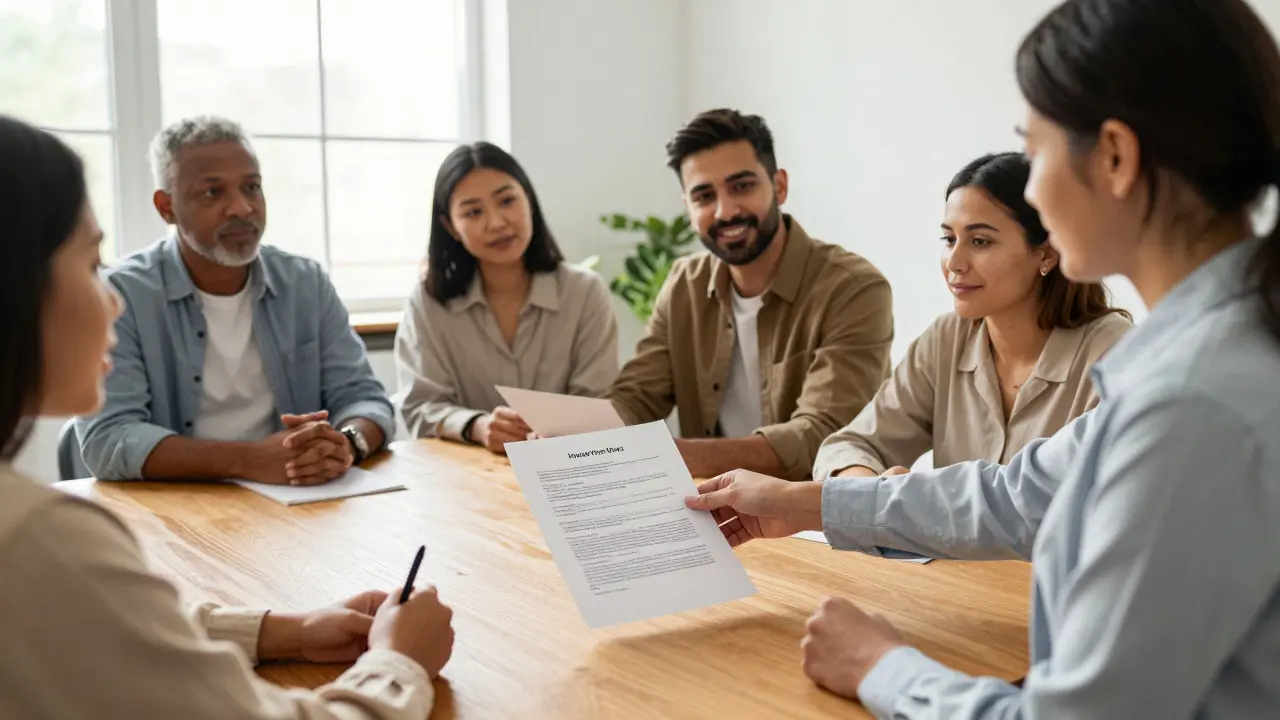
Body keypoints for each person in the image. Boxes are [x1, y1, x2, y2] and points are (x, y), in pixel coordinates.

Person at [685, 0, 1280, 716]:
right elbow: (1018, 495)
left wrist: (884, 667)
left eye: (1035, 153)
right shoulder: (1203, 353)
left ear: (1116, 157)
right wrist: (791, 503)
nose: (1030, 190)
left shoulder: (1193, 402)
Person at [0, 115, 454, 718]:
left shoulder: (304, 281)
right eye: (88, 265)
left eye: (253, 186)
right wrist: (399, 661)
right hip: (193, 538)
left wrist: (284, 630)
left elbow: (112, 625)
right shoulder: (41, 539)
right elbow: (108, 448)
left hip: (302, 536)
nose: (107, 298)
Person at [75, 116, 393, 485]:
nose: (241, 208)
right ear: (167, 207)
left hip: (294, 499)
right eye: (213, 192)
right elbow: (109, 438)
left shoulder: (306, 283)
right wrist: (247, 460)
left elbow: (365, 397)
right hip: (180, 510)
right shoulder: (122, 294)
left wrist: (346, 444)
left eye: (252, 187)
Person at [609, 109, 894, 481]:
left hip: (816, 521)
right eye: (704, 196)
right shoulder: (684, 284)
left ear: (779, 186)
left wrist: (671, 456)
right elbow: (637, 398)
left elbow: (823, 434)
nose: (726, 211)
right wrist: (572, 438)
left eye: (741, 186)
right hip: (712, 510)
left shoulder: (853, 288)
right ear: (688, 208)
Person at [813, 152, 1131, 481]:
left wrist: (907, 503)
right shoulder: (946, 339)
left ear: (1046, 253)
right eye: (949, 239)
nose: (954, 262)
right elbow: (850, 444)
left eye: (980, 241)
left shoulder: (1114, 354)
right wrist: (865, 487)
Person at [395, 142, 619, 455]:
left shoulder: (584, 292)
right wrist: (477, 426)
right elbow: (419, 406)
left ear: (529, 200)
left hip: (567, 470)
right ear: (451, 226)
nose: (497, 222)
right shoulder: (429, 301)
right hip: (467, 480)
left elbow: (596, 402)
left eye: (507, 200)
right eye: (474, 211)